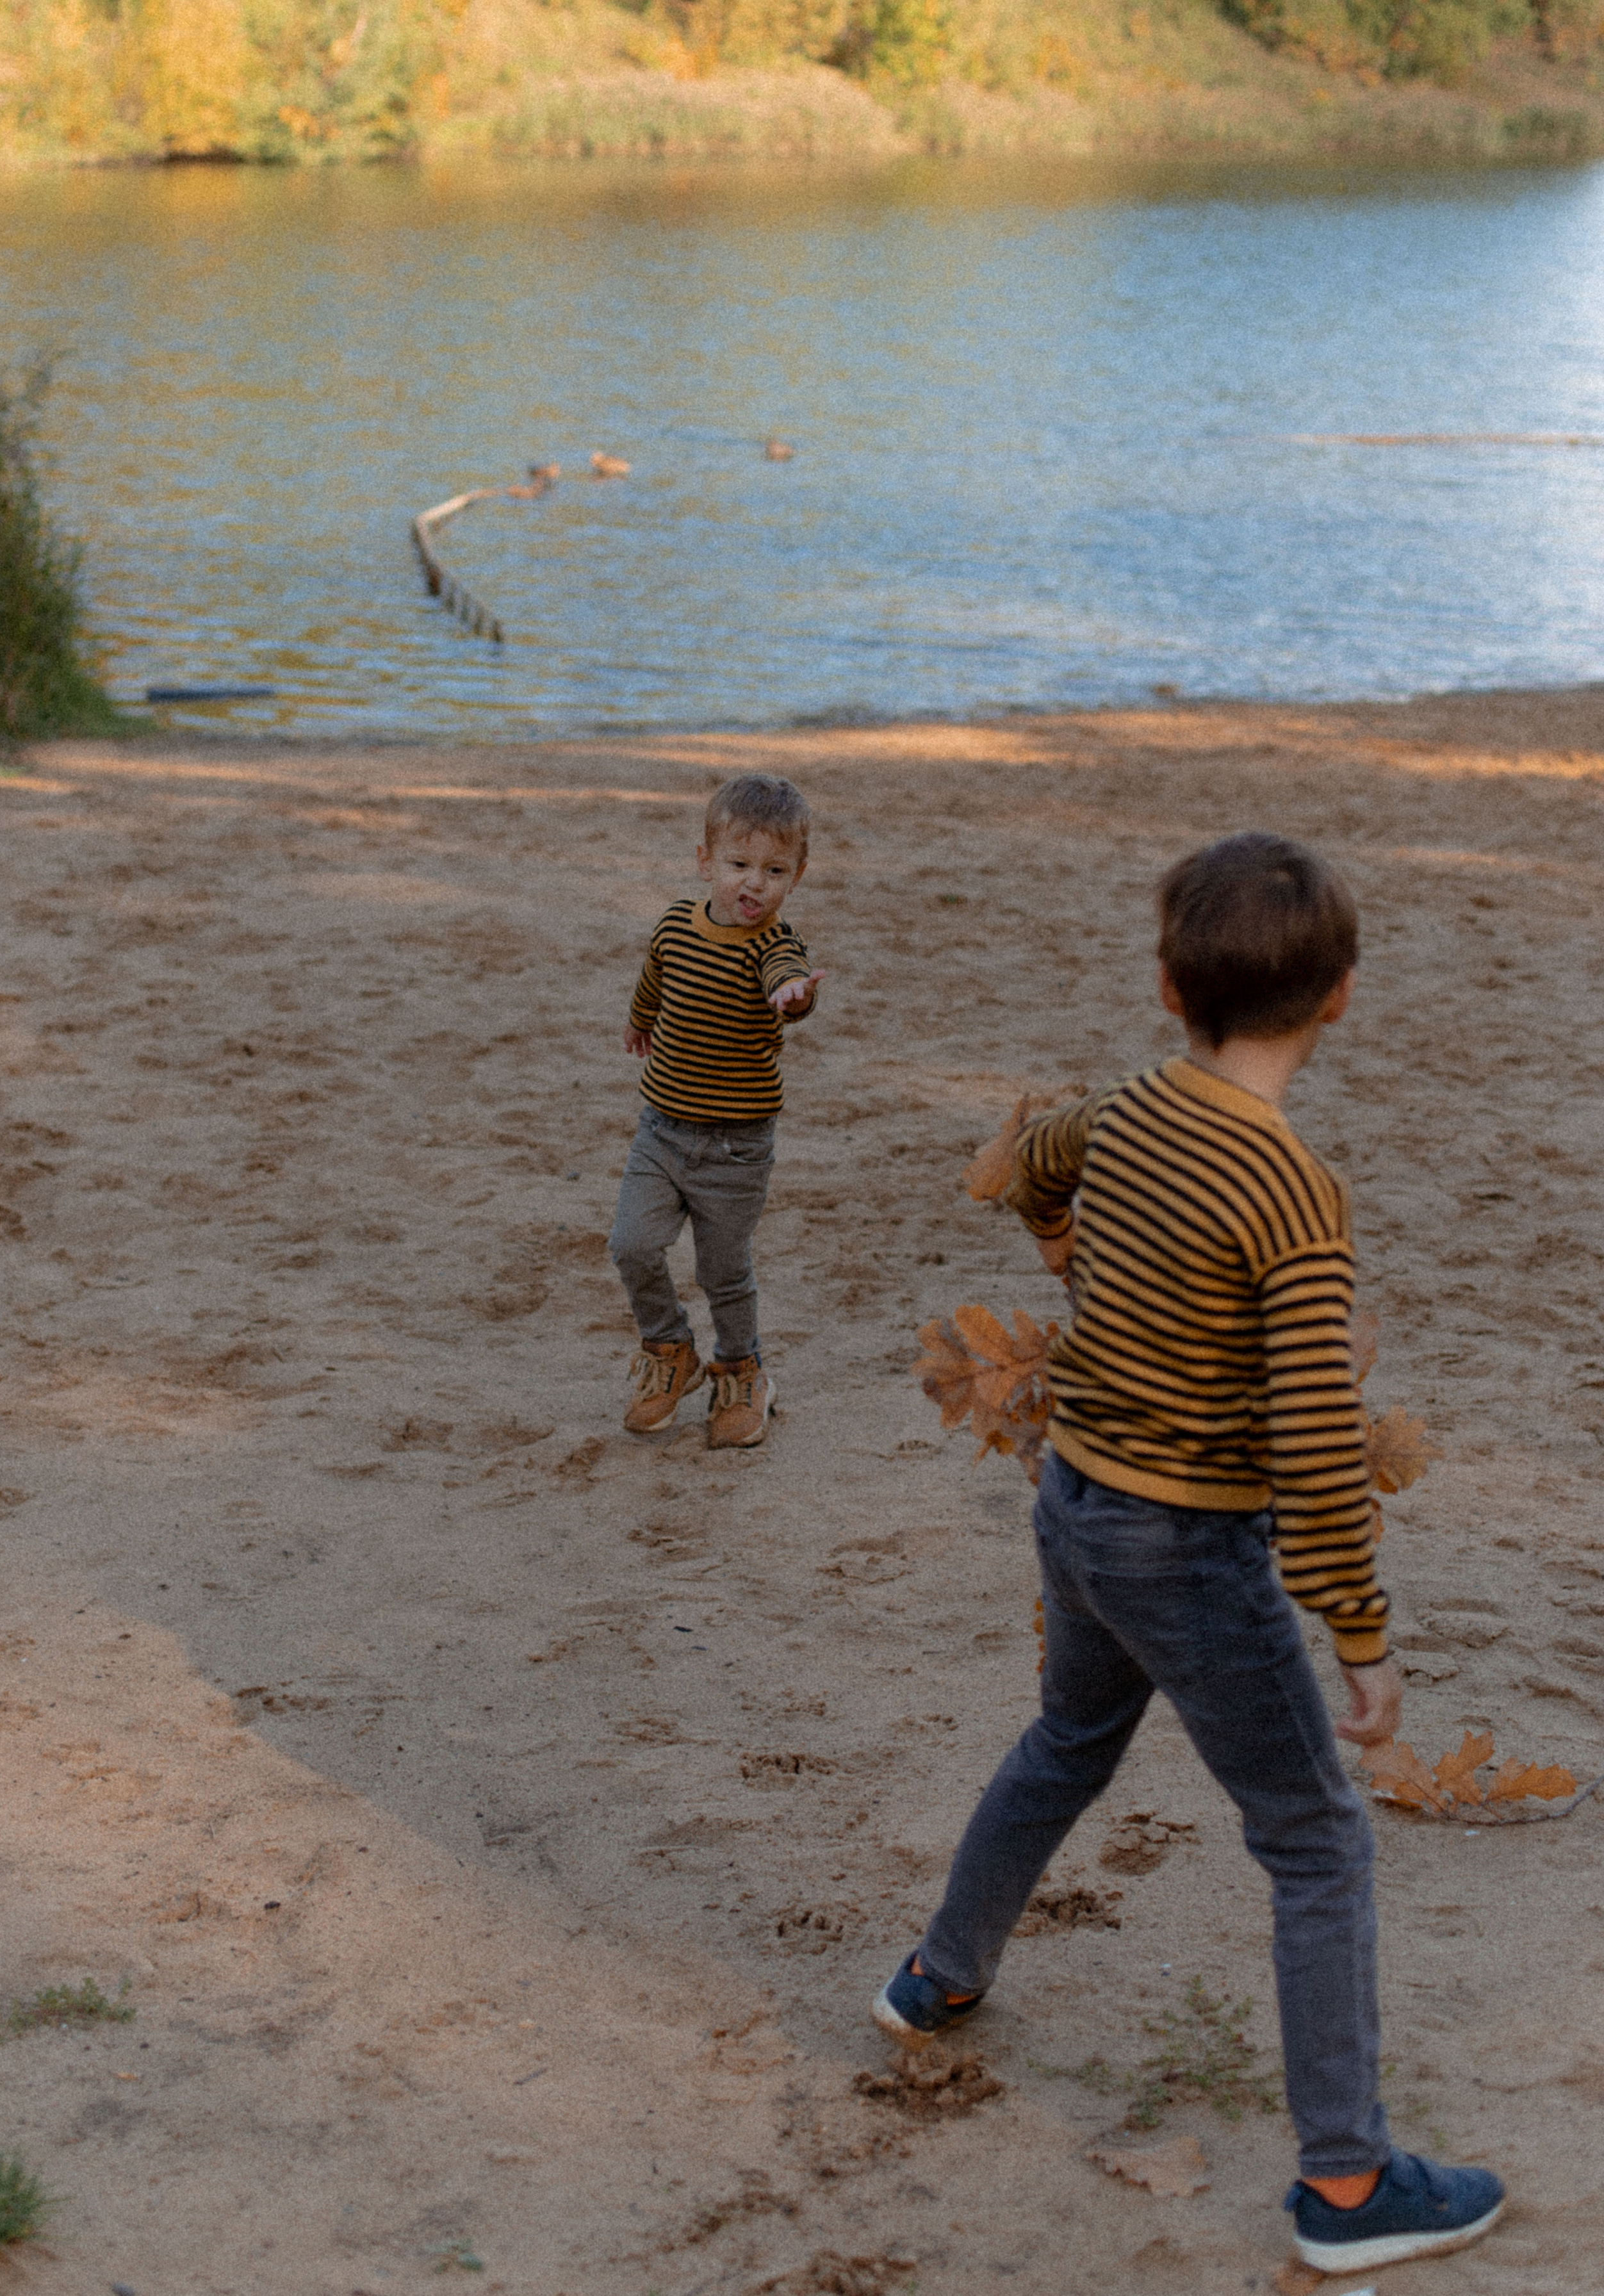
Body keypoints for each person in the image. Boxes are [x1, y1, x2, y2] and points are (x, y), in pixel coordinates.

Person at [872, 832, 1505, 2276]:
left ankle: (935, 1978)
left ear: (1168, 989)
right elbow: (1306, 1441)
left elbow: (1033, 1155)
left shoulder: (1136, 1105)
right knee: (1314, 1836)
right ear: (1339, 997)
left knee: (1065, 1737)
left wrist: (1059, 1243)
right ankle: (1345, 2187)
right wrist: (1360, 1632)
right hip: (1184, 1548)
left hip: (1076, 1507)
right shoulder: (1292, 1190)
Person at [607, 775, 824, 1450]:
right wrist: (641, 1020)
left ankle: (740, 1368)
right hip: (661, 1130)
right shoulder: (676, 922)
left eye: (773, 870)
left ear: (796, 875)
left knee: (722, 1270)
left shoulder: (773, 946)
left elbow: (786, 978)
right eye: (738, 865)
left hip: (736, 1146)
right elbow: (656, 972)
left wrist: (794, 996)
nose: (752, 884)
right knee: (632, 1243)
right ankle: (670, 1350)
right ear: (706, 861)